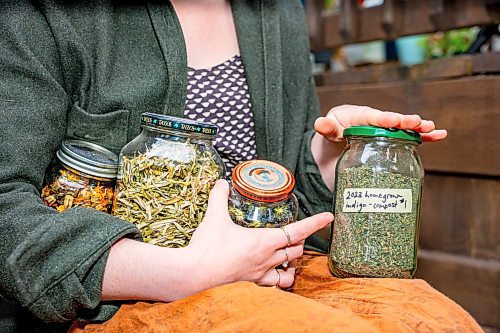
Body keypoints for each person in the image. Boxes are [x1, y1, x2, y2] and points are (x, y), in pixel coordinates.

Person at [0, 1, 477, 332]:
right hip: (114, 301)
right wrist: (186, 273)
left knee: (435, 319)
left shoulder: (277, 10)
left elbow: (285, 192)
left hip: (274, 275)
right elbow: (7, 210)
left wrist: (331, 157)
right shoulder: (42, 12)